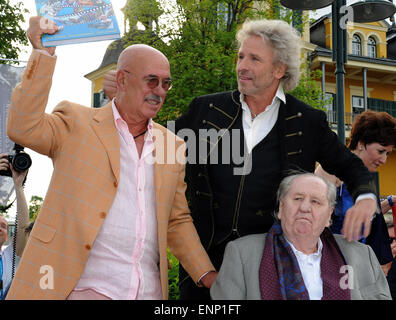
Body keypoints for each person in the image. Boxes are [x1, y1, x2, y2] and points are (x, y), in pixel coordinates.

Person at [104, 19, 378, 300]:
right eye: (241, 56)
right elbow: (153, 145)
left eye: (255, 58)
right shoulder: (206, 109)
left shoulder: (306, 121)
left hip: (266, 266)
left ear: (279, 69)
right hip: (203, 262)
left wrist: (366, 197)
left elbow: (350, 166)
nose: (242, 65)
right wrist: (125, 99)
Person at [5, 16, 216, 300]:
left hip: (148, 293)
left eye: (166, 83)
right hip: (78, 289)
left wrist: (207, 274)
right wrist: (43, 54)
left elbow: (176, 220)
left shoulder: (172, 145)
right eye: (151, 80)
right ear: (122, 79)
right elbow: (23, 126)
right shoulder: (76, 122)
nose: (160, 91)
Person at [210, 173, 392, 300]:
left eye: (315, 201)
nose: (305, 208)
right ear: (281, 208)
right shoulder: (243, 254)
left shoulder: (361, 255)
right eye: (297, 198)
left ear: (329, 216)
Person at [315, 110, 396, 272]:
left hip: (362, 265)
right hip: (336, 267)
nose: (384, 160)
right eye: (380, 151)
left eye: (388, 153)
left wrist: (389, 202)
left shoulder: (366, 178)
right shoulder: (331, 171)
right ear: (361, 143)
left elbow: (366, 217)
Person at [0, 155, 30, 299]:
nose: (0, 228)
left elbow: (23, 227)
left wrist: (18, 185)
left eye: (4, 226)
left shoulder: (8, 257)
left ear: (7, 236)